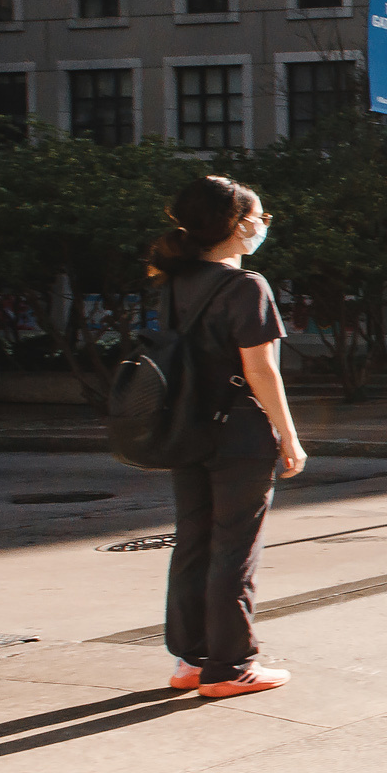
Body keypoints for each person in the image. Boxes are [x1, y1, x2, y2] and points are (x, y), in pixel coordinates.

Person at [148, 174, 306, 699]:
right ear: (238, 226)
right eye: (260, 217)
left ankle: (189, 662)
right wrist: (288, 435)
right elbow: (262, 371)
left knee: (192, 542)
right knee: (235, 549)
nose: (263, 225)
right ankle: (231, 666)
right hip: (239, 433)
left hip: (187, 428)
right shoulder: (246, 286)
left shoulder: (174, 282)